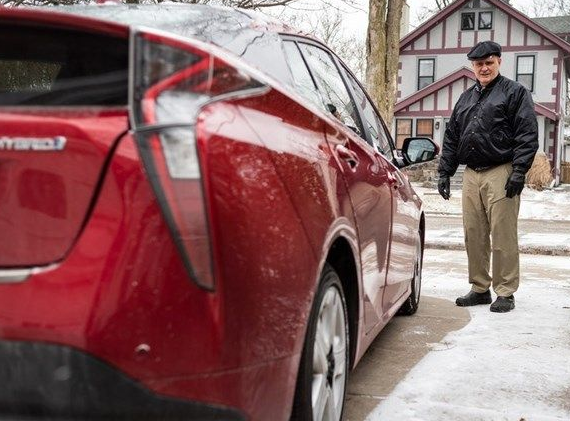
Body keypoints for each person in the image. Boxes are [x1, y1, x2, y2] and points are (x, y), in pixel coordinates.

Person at [437, 41, 538, 313]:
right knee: (474, 233)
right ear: (472, 66)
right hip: (471, 173)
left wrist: (519, 171)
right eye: (479, 64)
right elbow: (452, 136)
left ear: (499, 62)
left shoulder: (515, 93)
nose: (484, 68)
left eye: (489, 62)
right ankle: (480, 288)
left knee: (503, 234)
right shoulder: (466, 98)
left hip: (501, 171)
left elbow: (527, 135)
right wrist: (445, 171)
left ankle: (505, 292)